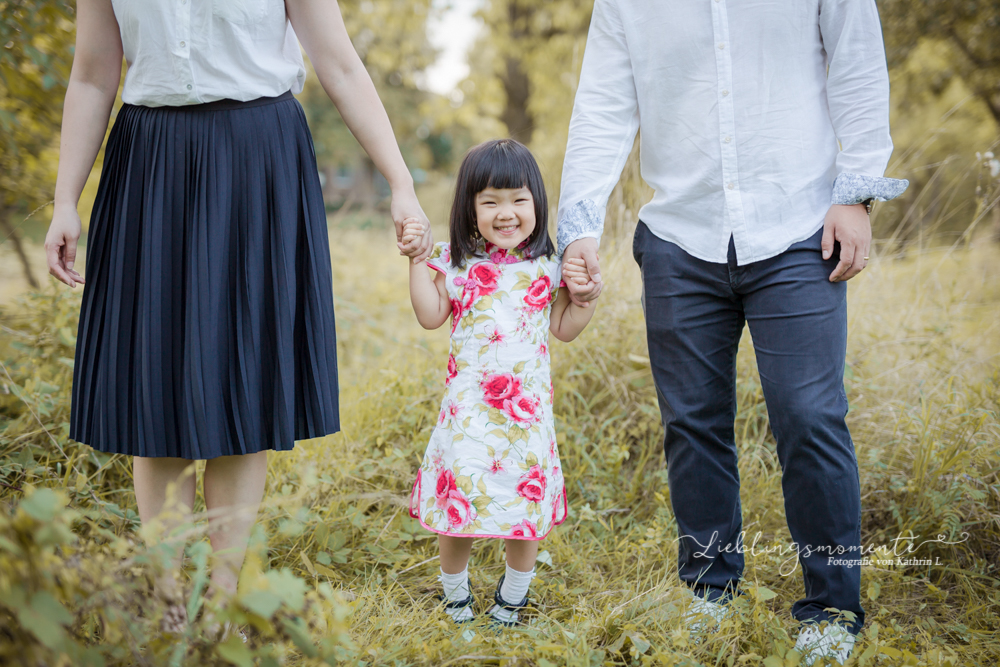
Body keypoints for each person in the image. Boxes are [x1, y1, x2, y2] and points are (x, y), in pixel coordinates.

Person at [43, 0, 430, 634]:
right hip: (150, 163)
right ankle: (169, 607)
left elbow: (339, 63)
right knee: (155, 386)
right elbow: (91, 73)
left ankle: (225, 607)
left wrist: (401, 181)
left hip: (259, 162)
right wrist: (65, 199)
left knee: (243, 378)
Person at [555, 0, 908, 663]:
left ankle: (833, 607)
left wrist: (857, 193)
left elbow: (856, 63)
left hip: (802, 226)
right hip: (678, 235)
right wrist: (579, 226)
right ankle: (709, 592)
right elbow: (601, 107)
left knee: (810, 415)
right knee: (691, 421)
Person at [403, 139, 599, 626]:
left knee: (524, 509)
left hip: (527, 419)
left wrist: (586, 299)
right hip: (468, 415)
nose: (505, 212)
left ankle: (511, 600)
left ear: (537, 203)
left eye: (518, 199)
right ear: (469, 208)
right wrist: (415, 266)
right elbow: (430, 317)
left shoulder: (548, 268)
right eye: (490, 201)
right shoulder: (458, 264)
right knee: (458, 504)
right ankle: (456, 598)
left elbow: (564, 328)